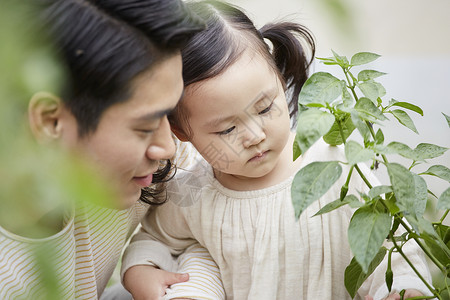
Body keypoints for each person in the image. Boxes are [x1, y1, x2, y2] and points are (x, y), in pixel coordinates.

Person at [121, 1, 433, 299]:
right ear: (181, 132)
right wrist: (142, 271)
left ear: (280, 79)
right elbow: (155, 239)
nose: (255, 136)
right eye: (227, 129)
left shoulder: (334, 165)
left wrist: (404, 288)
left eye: (265, 107)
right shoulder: (193, 191)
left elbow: (391, 242)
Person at [0, 0, 224, 299]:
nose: (169, 147)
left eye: (168, 116)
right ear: (51, 121)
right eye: (144, 128)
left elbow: (222, 217)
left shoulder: (148, 168)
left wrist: (190, 288)